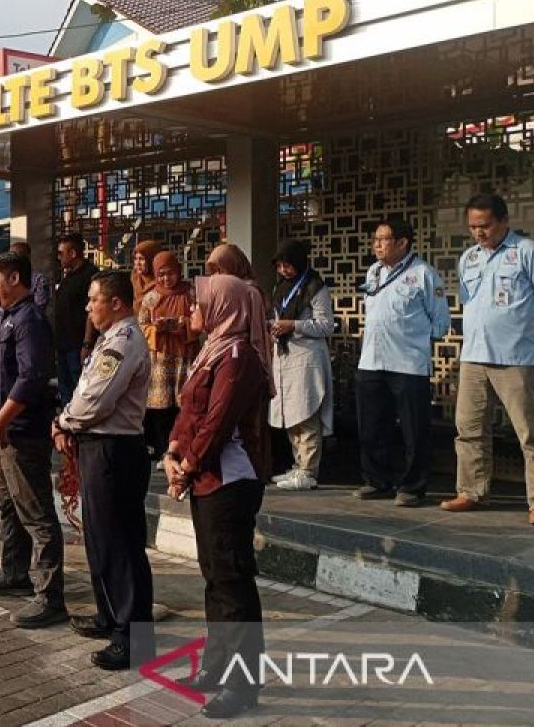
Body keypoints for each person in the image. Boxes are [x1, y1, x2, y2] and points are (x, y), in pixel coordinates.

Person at [163, 274, 271, 720]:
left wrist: (186, 467)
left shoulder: (238, 355)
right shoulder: (210, 349)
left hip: (229, 481)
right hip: (205, 478)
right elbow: (189, 411)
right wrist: (172, 451)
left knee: (233, 582)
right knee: (214, 578)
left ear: (222, 306)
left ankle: (242, 687)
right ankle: (216, 666)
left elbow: (217, 420)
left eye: (197, 303)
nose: (190, 311)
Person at [53, 271, 154, 671]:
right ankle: (109, 614)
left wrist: (63, 422)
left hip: (115, 448)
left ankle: (133, 637)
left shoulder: (124, 341)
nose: (87, 306)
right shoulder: (108, 340)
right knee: (100, 540)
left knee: (121, 546)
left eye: (93, 299)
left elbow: (95, 400)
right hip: (97, 445)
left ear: (116, 303)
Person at [0, 252, 66, 628]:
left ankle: (49, 596)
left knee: (37, 514)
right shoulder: (6, 319)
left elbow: (30, 377)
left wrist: (2, 417)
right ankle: (15, 573)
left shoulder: (30, 320)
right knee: (9, 506)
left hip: (20, 433)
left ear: (13, 278)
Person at [445, 193, 534, 526]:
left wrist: (530, 333)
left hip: (516, 357)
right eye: (473, 226)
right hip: (474, 357)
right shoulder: (469, 258)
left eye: (485, 225)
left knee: (531, 432)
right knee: (469, 428)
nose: (479, 233)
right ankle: (471, 491)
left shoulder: (528, 252)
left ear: (504, 221)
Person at [355, 218, 450, 506]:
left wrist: (415, 342)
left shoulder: (424, 274)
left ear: (402, 242)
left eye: (383, 239)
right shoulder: (374, 271)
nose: (377, 245)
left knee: (414, 429)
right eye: (375, 240)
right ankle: (377, 480)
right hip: (371, 360)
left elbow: (441, 322)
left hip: (408, 363)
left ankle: (412, 486)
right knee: (371, 426)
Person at [268, 239, 334, 492]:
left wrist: (294, 325)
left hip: (307, 357)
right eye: (280, 266)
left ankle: (309, 469)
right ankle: (298, 465)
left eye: (288, 266)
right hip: (286, 355)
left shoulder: (316, 288)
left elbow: (327, 325)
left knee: (306, 411)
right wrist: (275, 328)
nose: (284, 271)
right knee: (290, 413)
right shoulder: (281, 288)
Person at [140, 251, 199, 464]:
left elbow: (200, 320)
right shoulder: (151, 297)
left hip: (185, 356)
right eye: (161, 274)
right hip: (161, 359)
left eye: (171, 274)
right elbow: (141, 326)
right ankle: (163, 449)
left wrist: (185, 325)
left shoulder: (190, 293)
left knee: (184, 404)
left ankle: (182, 449)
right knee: (161, 407)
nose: (166, 279)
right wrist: (156, 329)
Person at [54, 233, 99, 405]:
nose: (59, 258)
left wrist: (87, 344)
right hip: (63, 344)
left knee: (80, 389)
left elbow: (91, 311)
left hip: (78, 345)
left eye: (61, 253)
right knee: (65, 392)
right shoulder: (68, 276)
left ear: (73, 253)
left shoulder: (91, 275)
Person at [10, 241, 51, 312]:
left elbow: (39, 308)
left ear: (28, 257)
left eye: (18, 255)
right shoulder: (8, 279)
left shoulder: (39, 280)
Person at [131, 240, 162, 318]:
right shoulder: (133, 279)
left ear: (152, 260)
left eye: (141, 259)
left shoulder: (162, 282)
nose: (137, 263)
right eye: (135, 259)